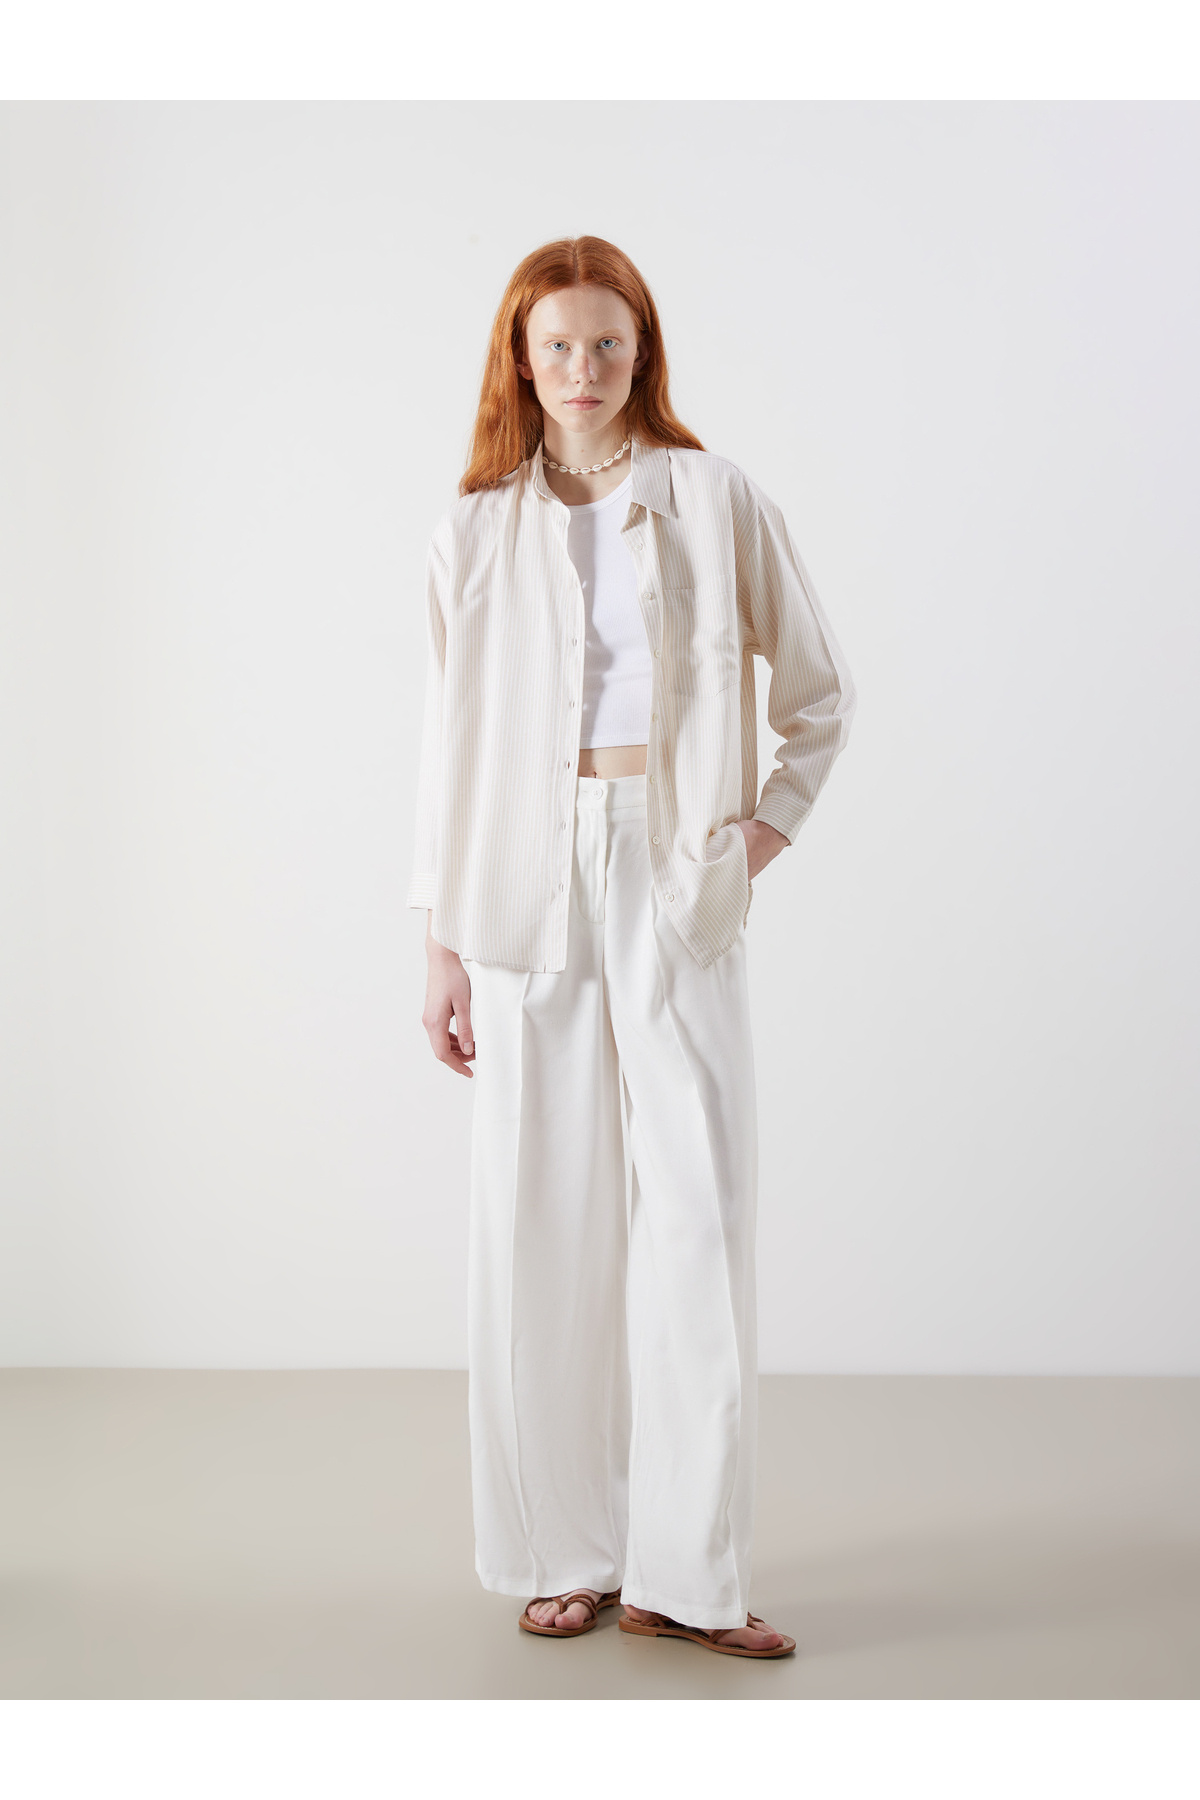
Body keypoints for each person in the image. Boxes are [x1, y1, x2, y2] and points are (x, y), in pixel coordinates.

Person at [409, 236, 856, 1659]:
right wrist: (441, 943)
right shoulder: (474, 530)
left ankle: (688, 1575)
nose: (584, 369)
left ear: (642, 350)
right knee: (537, 1213)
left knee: (698, 1211)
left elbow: (821, 695)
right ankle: (565, 1550)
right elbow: (448, 749)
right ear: (521, 360)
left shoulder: (715, 500)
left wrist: (749, 843)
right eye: (557, 346)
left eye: (608, 342)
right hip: (519, 885)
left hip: (672, 867)